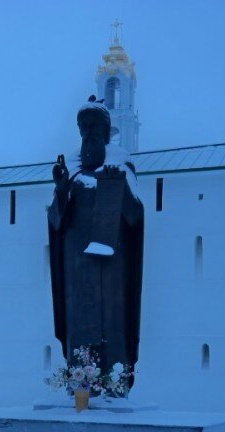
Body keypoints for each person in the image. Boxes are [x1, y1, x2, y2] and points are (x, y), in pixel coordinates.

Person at [48, 95, 145, 394]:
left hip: (112, 271)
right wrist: (62, 190)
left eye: (94, 126)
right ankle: (80, 388)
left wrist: (120, 187)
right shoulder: (72, 171)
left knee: (112, 324)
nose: (88, 131)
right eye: (84, 126)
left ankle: (115, 384)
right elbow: (55, 222)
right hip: (77, 268)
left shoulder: (121, 164)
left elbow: (135, 217)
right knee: (80, 326)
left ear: (105, 131)